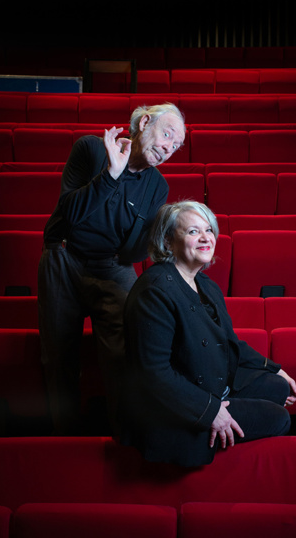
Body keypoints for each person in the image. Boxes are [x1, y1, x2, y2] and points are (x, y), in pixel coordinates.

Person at [37, 103, 186, 436]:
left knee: (125, 352)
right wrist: (111, 176)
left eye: (175, 146)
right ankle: (64, 437)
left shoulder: (157, 187)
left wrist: (163, 236)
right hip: (64, 256)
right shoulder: (90, 149)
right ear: (144, 122)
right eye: (166, 135)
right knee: (58, 358)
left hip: (112, 266)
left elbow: (134, 250)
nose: (168, 148)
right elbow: (69, 213)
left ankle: (123, 436)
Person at [120, 201, 296, 467]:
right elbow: (153, 373)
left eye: (209, 230)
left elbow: (229, 343)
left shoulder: (205, 283)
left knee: (279, 386)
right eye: (192, 232)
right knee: (280, 418)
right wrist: (210, 411)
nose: (206, 238)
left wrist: (274, 369)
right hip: (176, 407)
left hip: (211, 382)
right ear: (168, 242)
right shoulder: (154, 292)